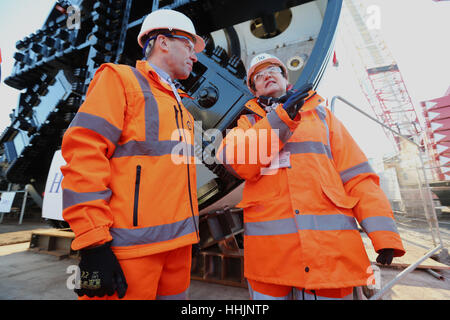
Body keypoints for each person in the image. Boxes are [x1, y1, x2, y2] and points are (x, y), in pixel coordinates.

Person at [216, 53, 406, 300]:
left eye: (272, 70)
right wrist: (281, 118)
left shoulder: (322, 116)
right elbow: (236, 160)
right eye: (258, 76)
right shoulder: (246, 124)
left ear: (286, 78)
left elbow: (358, 177)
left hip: (330, 256)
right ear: (254, 90)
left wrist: (383, 234)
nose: (267, 76)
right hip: (271, 260)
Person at [60, 9, 205, 300]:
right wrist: (93, 243)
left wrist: (191, 231)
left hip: (178, 249)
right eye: (190, 45)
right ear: (163, 42)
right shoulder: (120, 80)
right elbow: (84, 155)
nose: (195, 56)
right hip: (128, 251)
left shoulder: (184, 109)